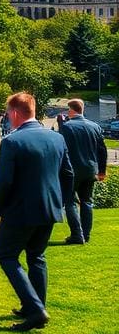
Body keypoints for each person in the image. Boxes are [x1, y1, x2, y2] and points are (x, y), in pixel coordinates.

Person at [0, 92, 74, 331]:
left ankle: (36, 309)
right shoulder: (56, 138)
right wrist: (60, 202)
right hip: (49, 208)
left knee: (6, 256)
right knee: (37, 256)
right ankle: (36, 306)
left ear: (15, 113)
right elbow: (67, 174)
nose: (7, 118)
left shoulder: (12, 141)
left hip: (20, 210)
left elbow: (4, 181)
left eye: (8, 113)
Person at [57, 98, 107, 244]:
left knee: (70, 202)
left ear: (71, 110)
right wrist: (102, 170)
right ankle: (86, 234)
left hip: (72, 169)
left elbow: (61, 148)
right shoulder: (95, 126)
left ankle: (77, 234)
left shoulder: (67, 127)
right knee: (87, 202)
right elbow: (102, 150)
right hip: (91, 169)